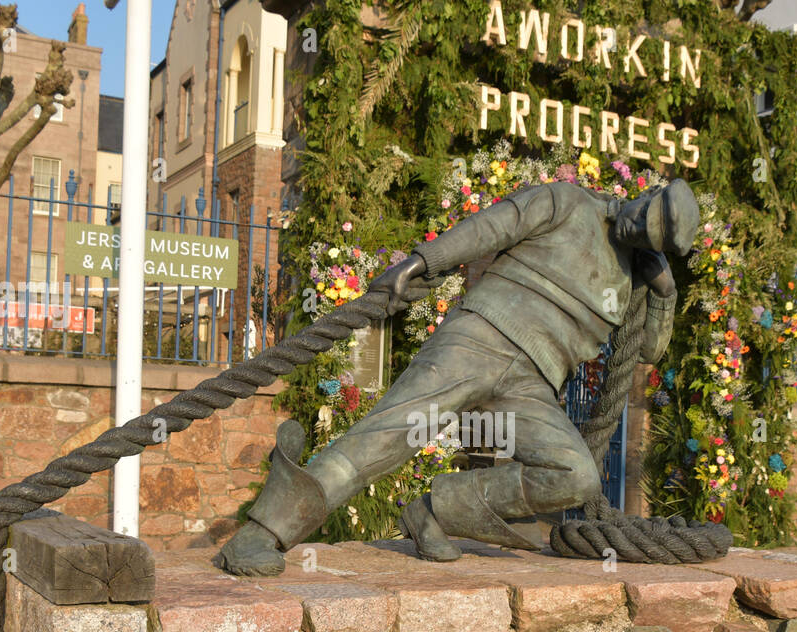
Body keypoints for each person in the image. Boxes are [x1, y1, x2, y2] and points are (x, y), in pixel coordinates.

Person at [215, 177, 700, 576]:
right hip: (480, 336)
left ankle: (432, 511)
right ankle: (260, 536)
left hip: (534, 382)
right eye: (646, 216)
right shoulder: (567, 201)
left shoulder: (637, 276)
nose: (640, 229)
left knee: (575, 477)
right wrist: (426, 262)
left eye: (653, 235)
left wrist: (664, 292)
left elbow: (650, 350)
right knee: (392, 432)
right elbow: (492, 227)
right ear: (647, 193)